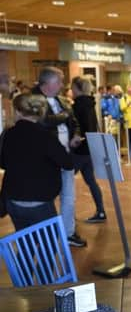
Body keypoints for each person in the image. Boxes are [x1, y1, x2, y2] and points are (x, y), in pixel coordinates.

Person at [1, 93, 73, 231]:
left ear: (17, 111)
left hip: (13, 198)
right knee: (49, 243)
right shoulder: (45, 136)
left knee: (24, 241)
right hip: (39, 199)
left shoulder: (8, 134)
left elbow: (3, 163)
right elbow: (67, 163)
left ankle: (24, 253)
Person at [33, 66, 87, 247]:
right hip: (46, 160)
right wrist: (65, 115)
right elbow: (43, 122)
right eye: (59, 81)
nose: (63, 85)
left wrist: (75, 135)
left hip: (66, 155)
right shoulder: (33, 100)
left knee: (69, 197)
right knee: (47, 199)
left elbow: (75, 122)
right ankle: (45, 239)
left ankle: (68, 233)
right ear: (47, 83)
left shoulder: (62, 101)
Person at [71, 76, 107, 223]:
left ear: (77, 88)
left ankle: (68, 217)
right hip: (90, 149)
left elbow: (81, 128)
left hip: (79, 150)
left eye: (72, 87)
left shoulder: (78, 106)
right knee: (91, 181)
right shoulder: (91, 104)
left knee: (65, 182)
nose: (70, 90)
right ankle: (101, 211)